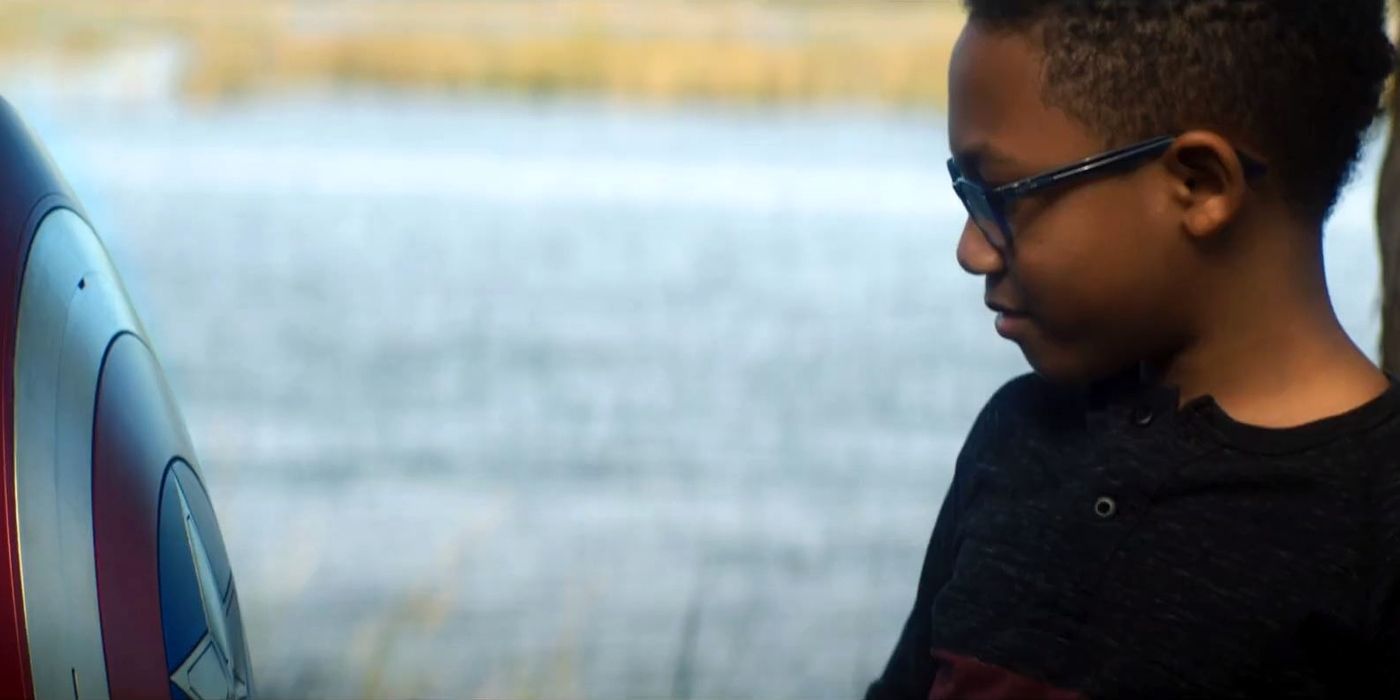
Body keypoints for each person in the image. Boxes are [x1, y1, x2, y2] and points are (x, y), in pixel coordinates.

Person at [864, 1, 1400, 698]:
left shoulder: (1378, 525)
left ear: (1199, 186)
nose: (971, 249)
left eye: (1001, 196)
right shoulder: (1017, 436)